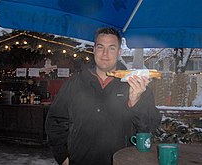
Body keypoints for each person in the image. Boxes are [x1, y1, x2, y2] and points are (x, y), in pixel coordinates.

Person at [45, 27, 161, 165]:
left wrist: (135, 102)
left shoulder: (136, 85)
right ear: (94, 50)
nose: (105, 54)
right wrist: (62, 156)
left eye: (112, 48)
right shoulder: (75, 83)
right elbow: (55, 121)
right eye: (100, 47)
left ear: (119, 52)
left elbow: (149, 128)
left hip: (121, 162)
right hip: (80, 160)